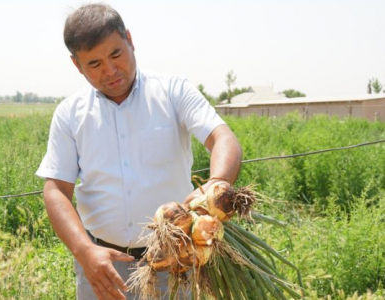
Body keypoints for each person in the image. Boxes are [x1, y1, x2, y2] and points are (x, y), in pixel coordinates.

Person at [36, 3, 242, 300]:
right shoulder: (70, 114)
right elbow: (55, 189)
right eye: (94, 64)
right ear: (76, 65)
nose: (110, 71)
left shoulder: (174, 92)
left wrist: (214, 185)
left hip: (177, 261)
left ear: (130, 40)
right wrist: (84, 252)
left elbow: (223, 138)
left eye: (116, 54)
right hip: (103, 266)